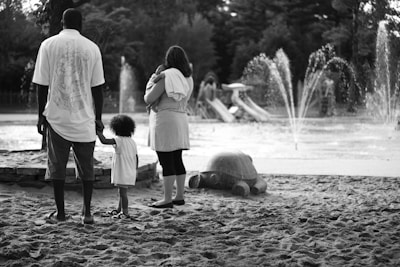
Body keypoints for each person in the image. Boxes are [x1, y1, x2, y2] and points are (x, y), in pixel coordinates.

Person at [32, 8, 105, 224]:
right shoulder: (92, 48)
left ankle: (61, 214)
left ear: (62, 23)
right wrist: (98, 117)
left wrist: (40, 116)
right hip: (84, 119)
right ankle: (87, 213)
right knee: (87, 168)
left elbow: (41, 84)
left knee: (57, 167)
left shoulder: (48, 45)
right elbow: (98, 88)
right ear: (81, 24)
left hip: (57, 117)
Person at [144, 45, 194, 208]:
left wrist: (154, 77)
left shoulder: (166, 76)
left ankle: (166, 198)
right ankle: (179, 196)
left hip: (165, 119)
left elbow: (149, 98)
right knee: (177, 158)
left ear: (168, 60)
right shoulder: (188, 77)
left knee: (166, 160)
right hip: (181, 118)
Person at [97, 115, 138, 219]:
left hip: (122, 170)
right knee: (122, 191)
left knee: (122, 193)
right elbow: (136, 157)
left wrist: (97, 132)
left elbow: (104, 141)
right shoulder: (132, 141)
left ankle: (125, 212)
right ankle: (119, 210)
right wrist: (135, 169)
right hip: (130, 170)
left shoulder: (118, 140)